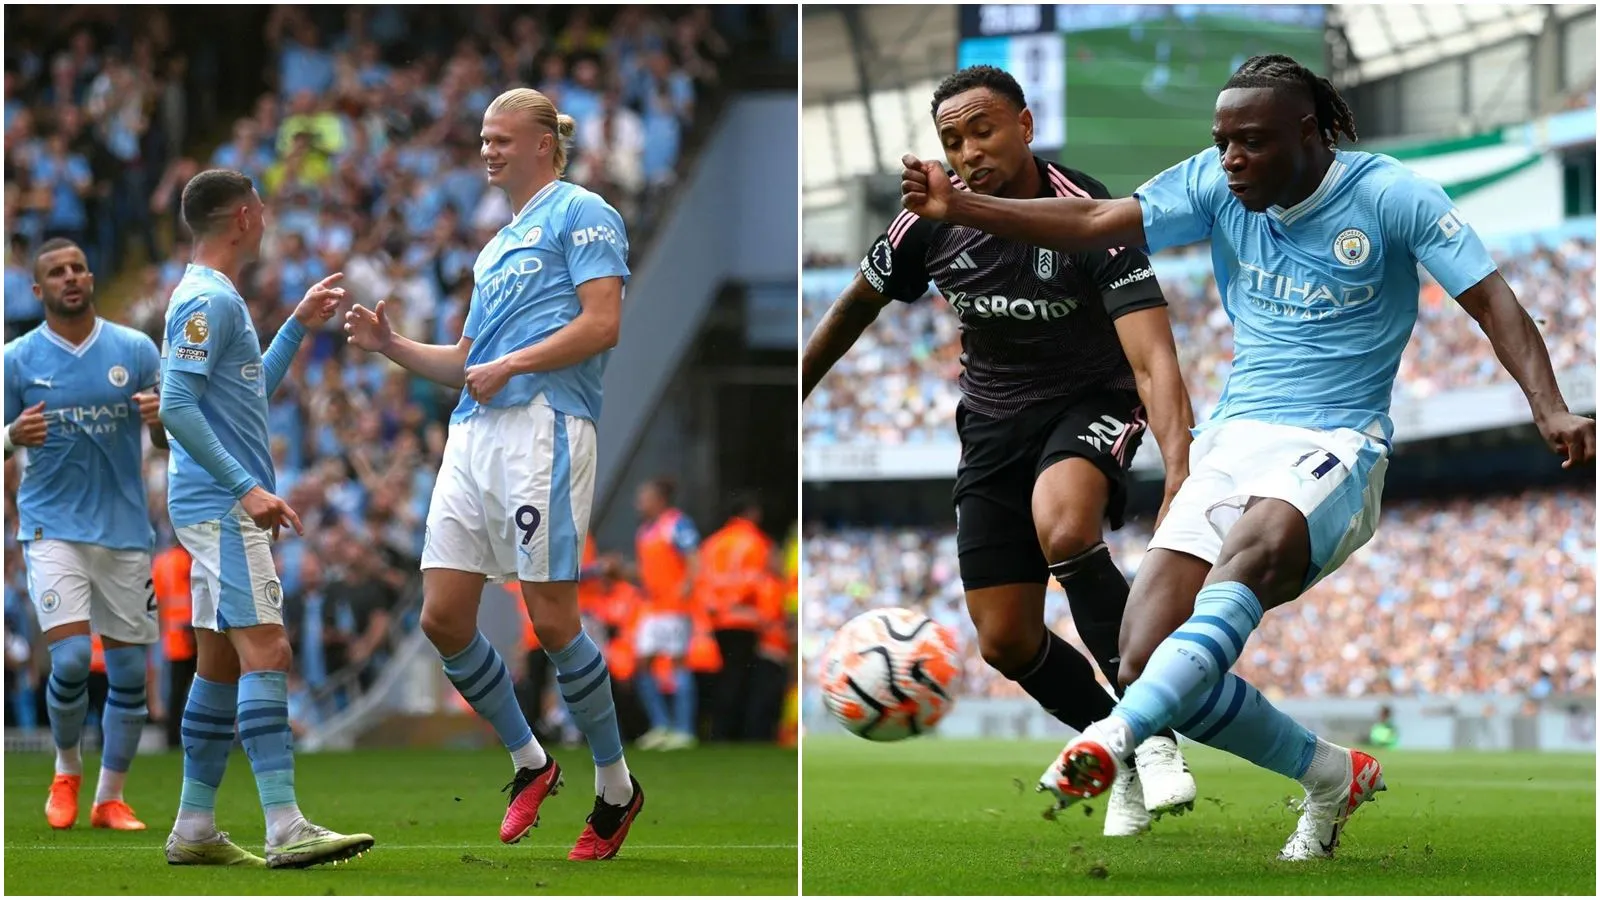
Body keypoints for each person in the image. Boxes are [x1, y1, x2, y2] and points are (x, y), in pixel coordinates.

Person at [898, 53, 1597, 860]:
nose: (1230, 159)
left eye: (1251, 142)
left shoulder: (1391, 196)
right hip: (1232, 440)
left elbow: (1492, 299)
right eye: (1222, 140)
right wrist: (965, 206)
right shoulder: (1211, 182)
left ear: (1308, 133)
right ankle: (1332, 775)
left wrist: (1548, 405)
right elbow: (1094, 222)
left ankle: (1115, 736)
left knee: (1250, 555)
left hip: (1338, 441)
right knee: (1144, 654)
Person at [803, 65, 1198, 836]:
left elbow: (1153, 359)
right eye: (953, 139)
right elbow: (857, 301)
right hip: (990, 425)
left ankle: (1151, 731)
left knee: (1066, 526)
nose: (969, 149)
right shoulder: (927, 223)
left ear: (1023, 123)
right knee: (1006, 641)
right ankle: (1108, 746)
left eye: (983, 129)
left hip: (1092, 401)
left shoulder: (1087, 214)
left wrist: (1179, 466)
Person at [343, 87, 643, 861]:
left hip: (544, 428)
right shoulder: (494, 245)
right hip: (475, 437)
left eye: (501, 139)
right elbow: (469, 365)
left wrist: (511, 363)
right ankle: (530, 762)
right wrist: (393, 347)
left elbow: (602, 324)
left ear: (544, 143)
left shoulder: (582, 212)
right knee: (441, 617)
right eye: (482, 139)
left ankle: (615, 788)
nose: (487, 150)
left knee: (549, 620)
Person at [158, 168, 373, 868]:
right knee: (269, 651)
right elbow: (175, 408)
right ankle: (284, 825)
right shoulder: (203, 301)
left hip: (214, 500)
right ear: (245, 217)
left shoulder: (217, 299)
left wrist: (296, 328)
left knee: (219, 664)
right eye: (263, 208)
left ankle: (193, 829)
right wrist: (246, 487)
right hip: (221, 504)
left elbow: (244, 398)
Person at [3, 237, 167, 832]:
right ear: (38, 288)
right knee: (71, 661)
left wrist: (160, 427)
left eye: (76, 268)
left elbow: (170, 438)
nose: (69, 277)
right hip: (53, 529)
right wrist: (11, 437)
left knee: (127, 677)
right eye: (56, 271)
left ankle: (110, 799)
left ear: (91, 277)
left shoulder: (135, 349)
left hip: (124, 531)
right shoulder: (16, 360)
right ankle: (66, 770)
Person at [632, 477, 702, 751]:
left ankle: (684, 729)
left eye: (644, 496)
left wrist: (687, 584)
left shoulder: (676, 523)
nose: (638, 502)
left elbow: (693, 555)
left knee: (677, 664)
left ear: (659, 499)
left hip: (674, 607)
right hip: (652, 607)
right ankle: (661, 724)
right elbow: (647, 571)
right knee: (642, 664)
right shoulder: (644, 531)